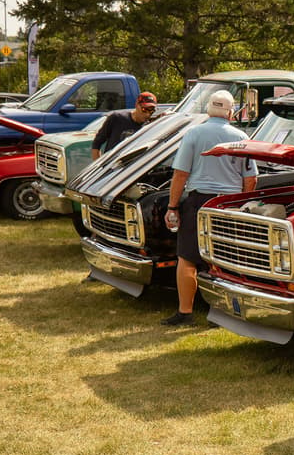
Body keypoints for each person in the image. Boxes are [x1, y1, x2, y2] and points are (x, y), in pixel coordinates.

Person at [161, 90, 258, 326]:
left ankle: (185, 312)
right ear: (231, 111)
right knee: (225, 258)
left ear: (208, 109)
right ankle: (224, 313)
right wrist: (241, 205)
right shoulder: (241, 137)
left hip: (198, 201)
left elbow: (180, 174)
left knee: (187, 257)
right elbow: (251, 179)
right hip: (228, 203)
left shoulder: (194, 134)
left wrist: (172, 206)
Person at [91, 91, 158, 159]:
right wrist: (100, 167)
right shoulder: (117, 118)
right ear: (137, 105)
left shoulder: (148, 127)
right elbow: (97, 143)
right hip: (111, 166)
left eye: (151, 111)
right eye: (144, 109)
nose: (147, 114)